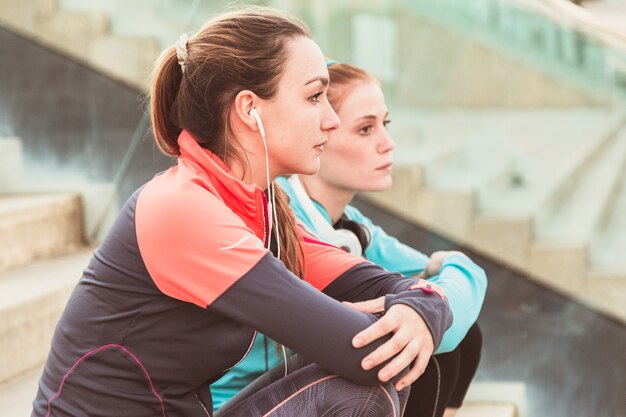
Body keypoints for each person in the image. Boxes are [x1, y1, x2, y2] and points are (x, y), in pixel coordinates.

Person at [31, 8, 454, 417]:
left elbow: (400, 289)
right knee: (366, 383)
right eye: (314, 96)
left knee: (409, 360)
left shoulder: (260, 216)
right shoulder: (182, 210)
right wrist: (397, 314)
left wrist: (419, 309)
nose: (330, 120)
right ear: (250, 109)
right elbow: (358, 347)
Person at [212, 61, 487, 417]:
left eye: (384, 125)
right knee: (402, 351)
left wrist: (449, 268)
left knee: (455, 335)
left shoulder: (351, 224)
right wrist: (432, 298)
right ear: (319, 134)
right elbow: (438, 318)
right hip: (241, 405)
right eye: (365, 129)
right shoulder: (281, 215)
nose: (388, 144)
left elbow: (466, 286)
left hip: (300, 389)